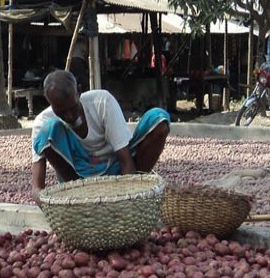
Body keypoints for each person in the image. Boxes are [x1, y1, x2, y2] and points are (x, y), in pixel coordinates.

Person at [30, 70, 170, 202]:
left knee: (159, 120)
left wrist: (127, 202)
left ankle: (138, 189)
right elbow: (36, 188)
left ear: (79, 91)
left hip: (118, 171)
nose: (69, 116)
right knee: (47, 130)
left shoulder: (102, 102)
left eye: (73, 108)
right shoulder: (41, 122)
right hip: (79, 178)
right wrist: (51, 209)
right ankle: (78, 199)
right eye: (61, 111)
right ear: (48, 101)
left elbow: (126, 161)